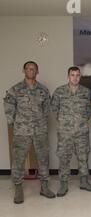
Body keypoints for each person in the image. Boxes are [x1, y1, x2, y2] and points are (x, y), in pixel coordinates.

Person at [3, 61, 55, 204]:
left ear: (37, 72)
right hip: (22, 131)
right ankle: (18, 190)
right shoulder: (15, 89)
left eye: (33, 69)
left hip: (40, 131)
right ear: (23, 70)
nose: (31, 71)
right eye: (28, 68)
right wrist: (13, 122)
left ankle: (44, 187)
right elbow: (8, 106)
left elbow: (47, 108)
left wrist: (42, 122)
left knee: (43, 159)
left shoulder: (43, 90)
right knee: (18, 161)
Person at [51, 66, 91, 197]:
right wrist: (64, 122)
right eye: (72, 75)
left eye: (77, 75)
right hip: (65, 133)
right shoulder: (60, 91)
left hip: (81, 132)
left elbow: (89, 110)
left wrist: (80, 121)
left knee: (83, 157)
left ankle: (84, 182)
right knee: (64, 158)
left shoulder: (86, 92)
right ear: (68, 76)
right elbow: (54, 109)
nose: (75, 77)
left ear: (80, 77)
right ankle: (63, 184)